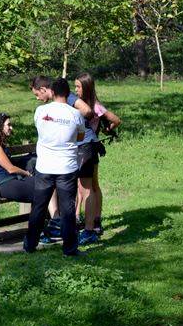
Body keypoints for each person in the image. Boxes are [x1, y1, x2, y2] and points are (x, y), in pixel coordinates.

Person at [23, 75, 86, 255]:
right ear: (68, 93)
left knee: (39, 208)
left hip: (44, 167)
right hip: (67, 168)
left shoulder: (40, 112)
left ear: (52, 92)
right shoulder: (75, 114)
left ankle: (29, 245)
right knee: (67, 209)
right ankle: (70, 249)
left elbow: (40, 131)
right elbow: (79, 137)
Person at [72, 73, 119, 243]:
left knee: (90, 186)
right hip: (85, 148)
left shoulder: (95, 106)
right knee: (87, 186)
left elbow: (116, 120)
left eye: (78, 86)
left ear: (87, 87)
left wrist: (107, 130)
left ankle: (93, 220)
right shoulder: (81, 104)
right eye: (75, 86)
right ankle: (87, 219)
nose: (76, 90)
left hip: (88, 148)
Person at [0, 113, 45, 205]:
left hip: (12, 181)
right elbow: (10, 169)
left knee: (47, 184)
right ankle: (49, 218)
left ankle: (53, 218)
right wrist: (27, 173)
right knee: (45, 187)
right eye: (8, 125)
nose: (11, 128)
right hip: (4, 185)